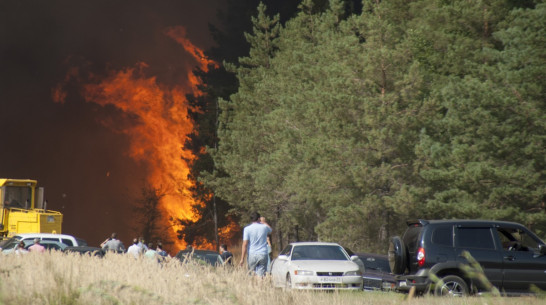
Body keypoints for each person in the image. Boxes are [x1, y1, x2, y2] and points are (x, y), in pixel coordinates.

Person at [239, 211, 272, 276]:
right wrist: (264, 222)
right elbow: (270, 230)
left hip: (252, 254)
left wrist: (242, 258)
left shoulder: (247, 229)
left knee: (251, 274)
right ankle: (260, 285)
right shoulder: (264, 227)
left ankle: (253, 285)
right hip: (263, 253)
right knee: (261, 275)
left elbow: (244, 244)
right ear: (258, 219)